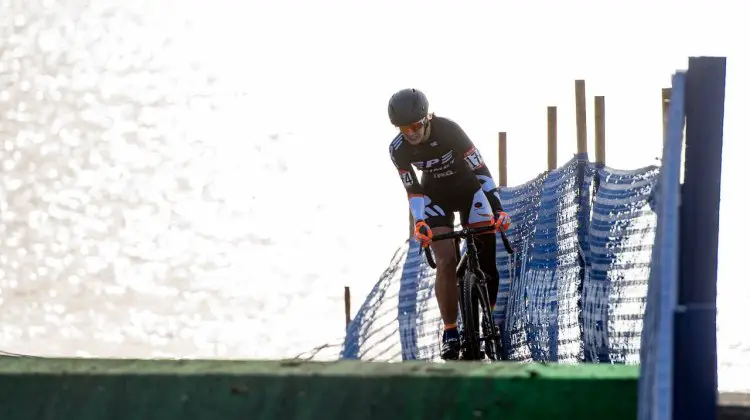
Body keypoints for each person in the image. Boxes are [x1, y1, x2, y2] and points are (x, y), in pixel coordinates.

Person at [387, 88, 511, 361]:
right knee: (445, 260)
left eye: (416, 125)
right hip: (435, 196)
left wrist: (498, 209)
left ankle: (487, 321)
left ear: (427, 118)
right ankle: (451, 331)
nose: (411, 133)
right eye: (403, 128)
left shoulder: (450, 131)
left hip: (470, 190)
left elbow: (480, 170)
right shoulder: (398, 149)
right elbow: (413, 189)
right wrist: (420, 221)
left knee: (486, 257)